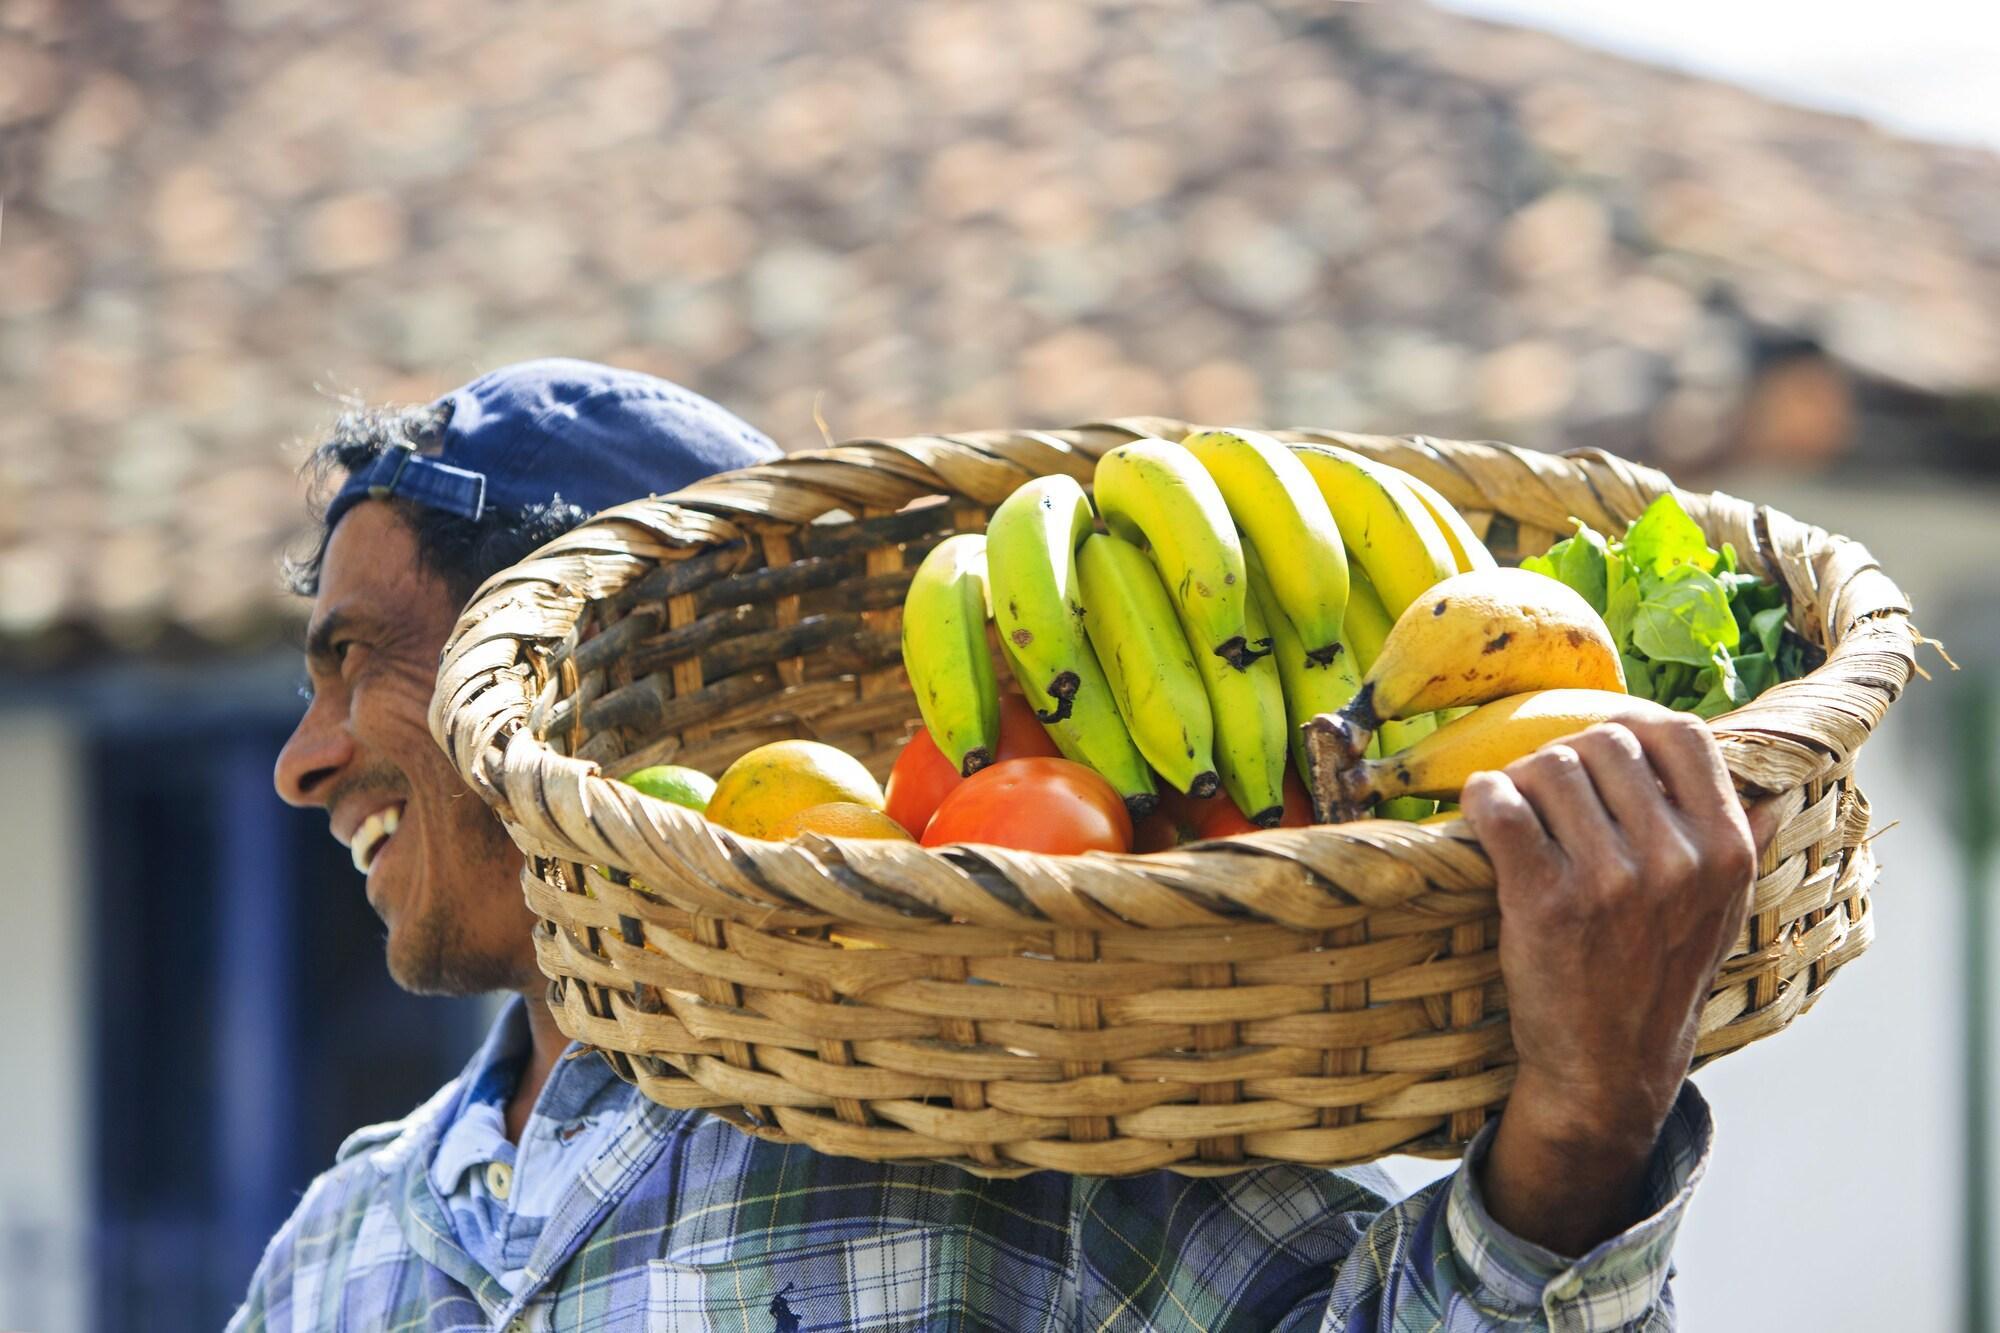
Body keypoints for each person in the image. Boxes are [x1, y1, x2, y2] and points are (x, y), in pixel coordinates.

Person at [234, 356, 1771, 1331]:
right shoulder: (336, 1250)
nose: (302, 762)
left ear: (576, 675)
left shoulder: (998, 1122)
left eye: (355, 658)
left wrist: (1583, 1126)